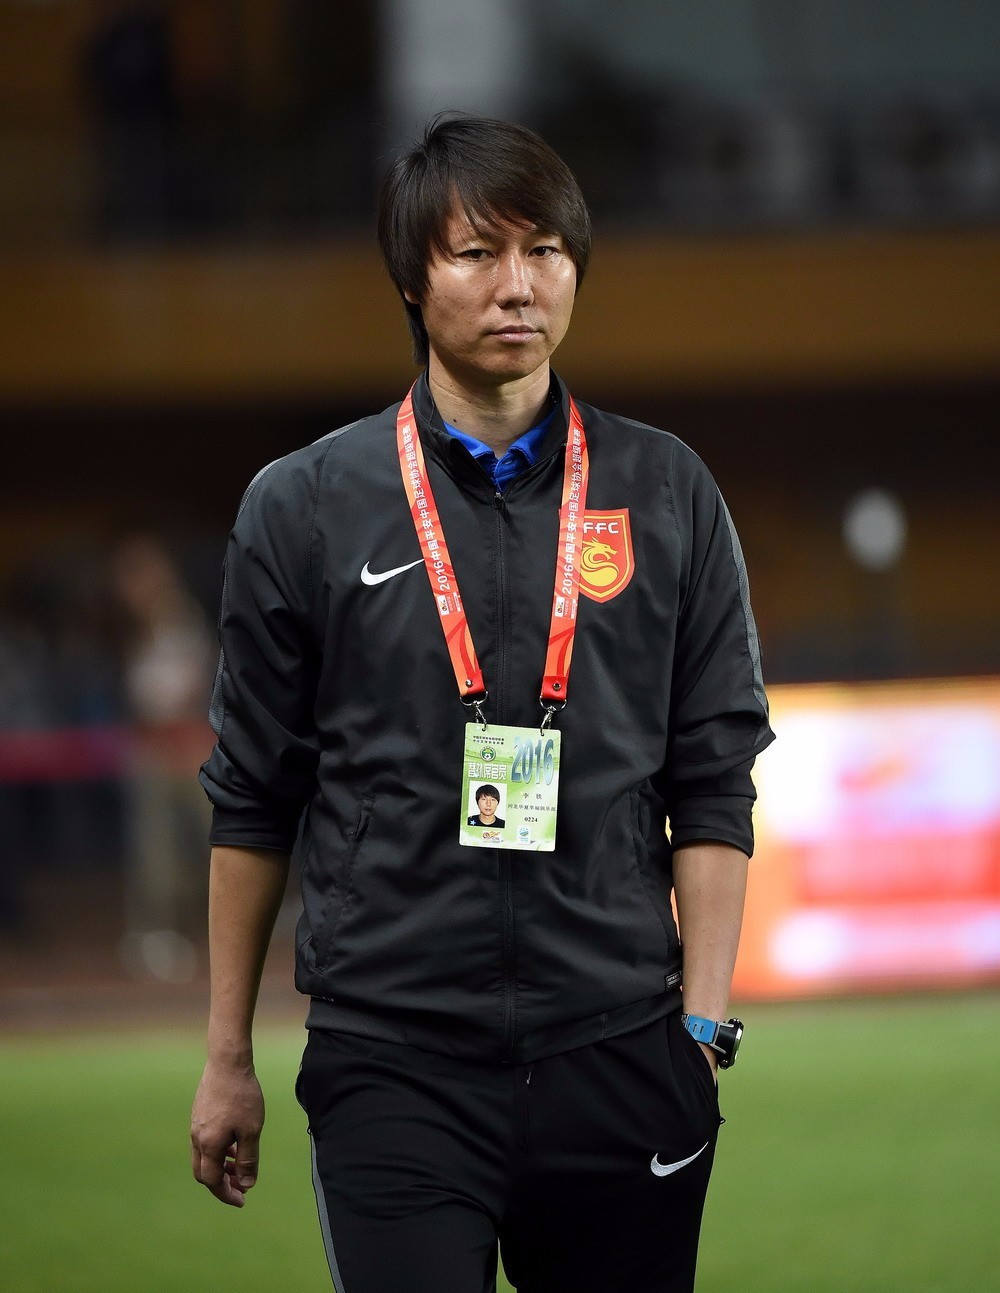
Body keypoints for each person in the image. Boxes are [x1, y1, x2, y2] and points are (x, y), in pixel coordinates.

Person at [191, 114, 774, 1292]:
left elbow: (713, 781)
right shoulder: (306, 505)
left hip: (620, 1052)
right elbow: (253, 796)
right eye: (476, 253)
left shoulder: (665, 490)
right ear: (412, 280)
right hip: (392, 1061)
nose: (518, 285)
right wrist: (226, 1057)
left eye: (545, 250)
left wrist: (701, 1029)